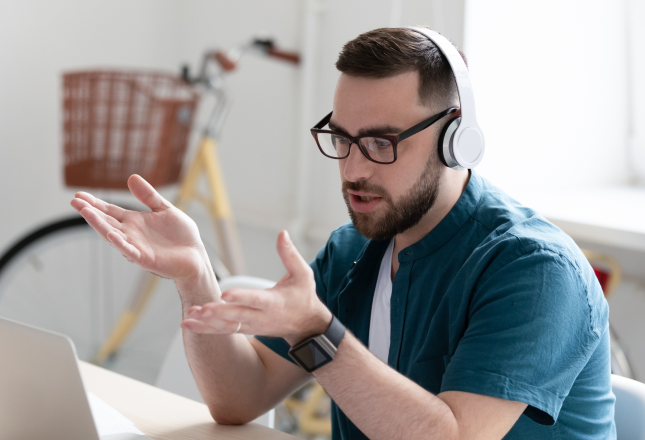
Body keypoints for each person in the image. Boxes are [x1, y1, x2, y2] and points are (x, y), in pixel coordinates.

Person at [71, 27, 615, 439]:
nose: (354, 169)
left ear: (457, 139)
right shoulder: (356, 250)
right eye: (342, 138)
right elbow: (240, 398)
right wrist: (195, 276)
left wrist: (318, 332)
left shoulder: (536, 271)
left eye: (381, 142)